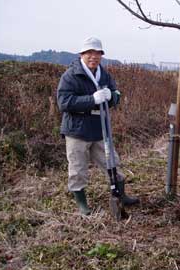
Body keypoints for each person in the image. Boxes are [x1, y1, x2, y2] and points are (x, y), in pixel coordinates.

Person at [57, 37, 139, 215]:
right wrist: (92, 99)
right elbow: (64, 102)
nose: (93, 57)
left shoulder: (104, 74)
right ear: (82, 54)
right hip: (77, 129)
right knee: (78, 169)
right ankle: (82, 205)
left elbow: (115, 93)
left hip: (99, 128)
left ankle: (121, 195)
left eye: (97, 53)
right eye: (89, 53)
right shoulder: (71, 75)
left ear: (101, 55)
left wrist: (113, 95)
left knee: (112, 163)